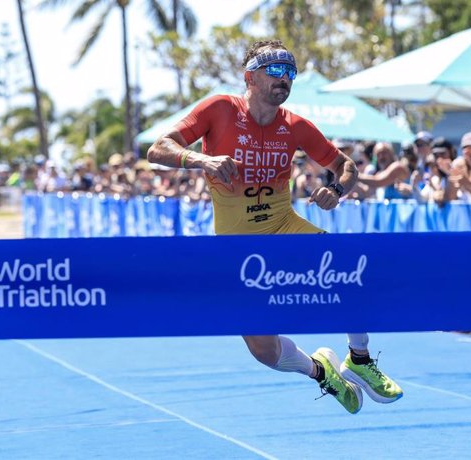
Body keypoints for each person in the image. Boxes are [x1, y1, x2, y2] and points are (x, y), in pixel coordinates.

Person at [146, 39, 402, 414]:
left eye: (291, 72)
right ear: (250, 76)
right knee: (264, 351)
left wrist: (336, 189)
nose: (285, 79)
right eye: (276, 70)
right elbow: (158, 148)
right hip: (237, 248)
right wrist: (201, 159)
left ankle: (359, 359)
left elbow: (347, 167)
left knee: (349, 270)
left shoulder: (295, 126)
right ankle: (321, 372)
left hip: (284, 228)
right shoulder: (219, 109)